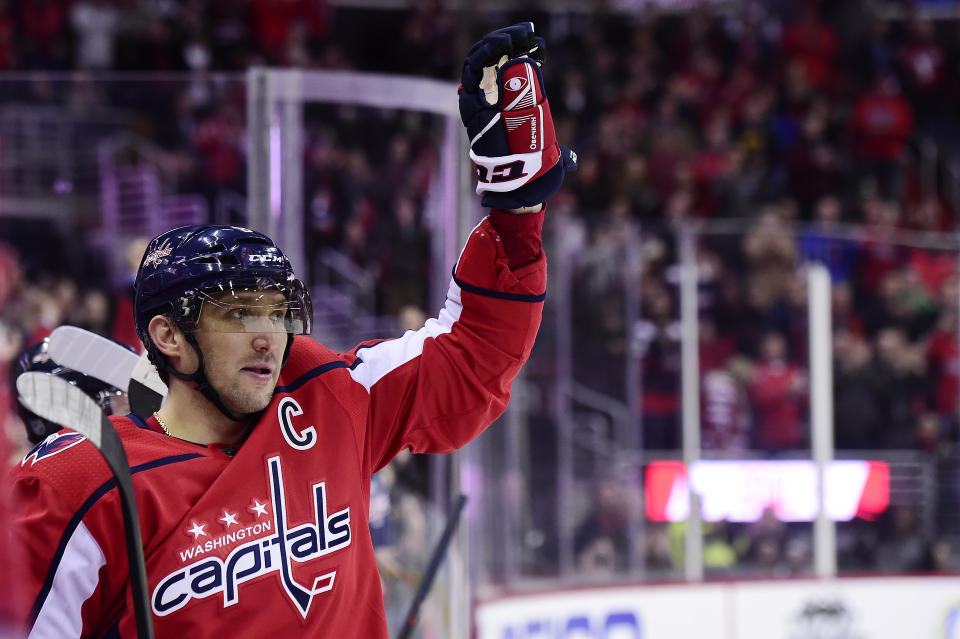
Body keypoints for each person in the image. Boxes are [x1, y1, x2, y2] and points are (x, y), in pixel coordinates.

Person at [9, 23, 575, 638]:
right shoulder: (84, 480)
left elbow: (472, 357)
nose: (269, 336)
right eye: (240, 314)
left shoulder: (326, 396)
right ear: (169, 337)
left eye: (280, 313)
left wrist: (516, 210)